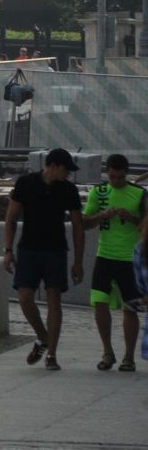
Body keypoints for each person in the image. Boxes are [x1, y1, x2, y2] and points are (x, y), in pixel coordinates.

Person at [4, 149, 86, 371]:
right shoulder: (26, 183)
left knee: (54, 299)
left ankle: (51, 354)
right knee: (24, 297)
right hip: (28, 248)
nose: (68, 175)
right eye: (67, 170)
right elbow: (11, 217)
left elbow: (79, 226)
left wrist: (78, 261)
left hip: (56, 250)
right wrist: (8, 250)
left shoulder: (68, 190)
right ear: (55, 166)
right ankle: (43, 335)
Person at [82, 154, 144, 372]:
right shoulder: (98, 193)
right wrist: (102, 216)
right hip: (105, 256)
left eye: (119, 177)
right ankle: (107, 352)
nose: (115, 181)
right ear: (106, 173)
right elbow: (84, 223)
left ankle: (129, 357)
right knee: (100, 303)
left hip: (129, 259)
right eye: (111, 176)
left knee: (130, 308)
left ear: (126, 174)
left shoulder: (139, 194)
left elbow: (145, 226)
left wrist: (132, 218)